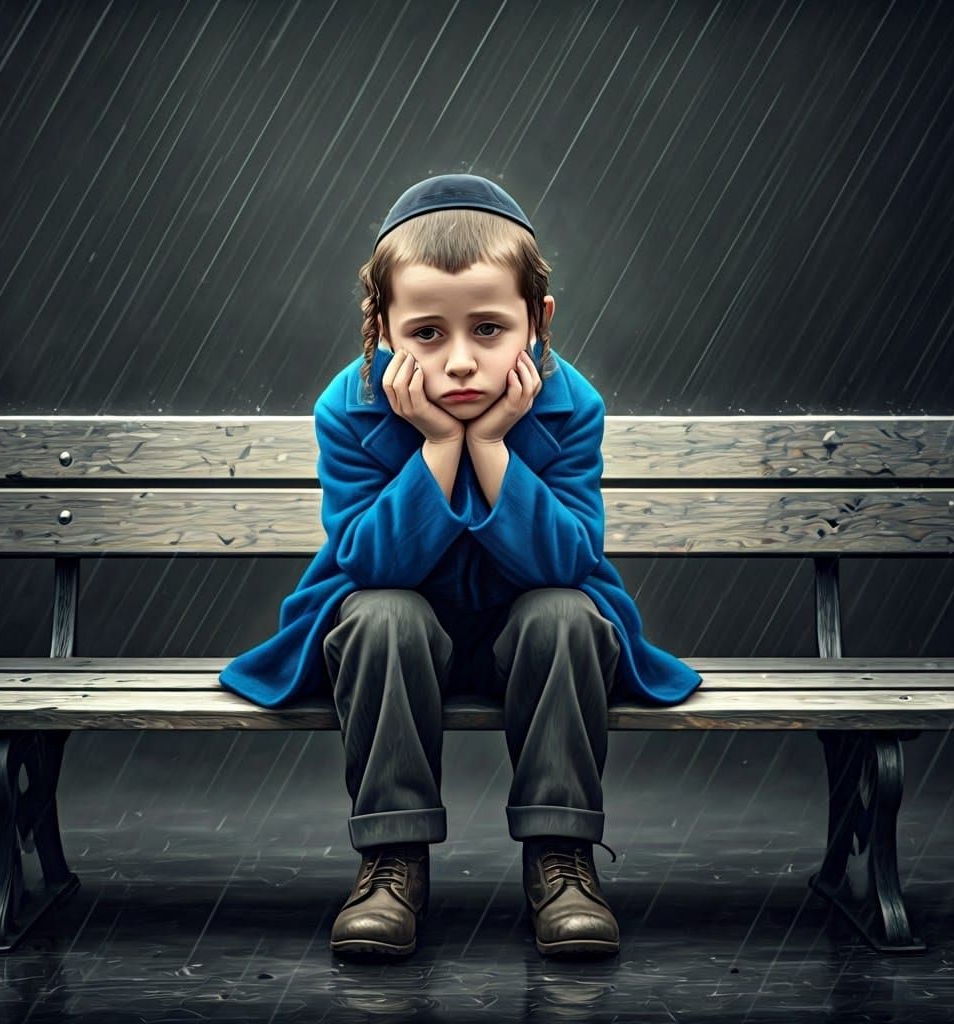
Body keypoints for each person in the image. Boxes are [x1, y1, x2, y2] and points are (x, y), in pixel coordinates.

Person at [218, 173, 703, 959]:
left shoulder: (568, 404)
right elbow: (371, 562)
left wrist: (492, 449)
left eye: (488, 329)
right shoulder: (351, 408)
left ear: (537, 323)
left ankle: (562, 860)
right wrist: (442, 448)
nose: (461, 364)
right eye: (427, 334)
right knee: (381, 613)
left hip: (532, 639)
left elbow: (569, 559)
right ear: (380, 328)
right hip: (398, 641)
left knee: (566, 612)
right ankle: (391, 859)